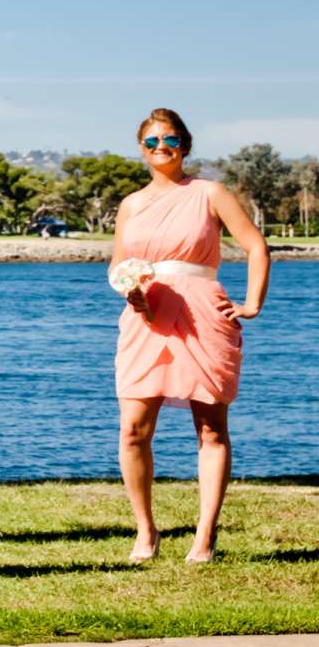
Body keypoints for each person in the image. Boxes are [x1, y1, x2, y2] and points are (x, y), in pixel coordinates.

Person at [111, 108, 269, 563]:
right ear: (141, 149)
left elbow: (256, 246)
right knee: (133, 430)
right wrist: (132, 294)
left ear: (186, 145)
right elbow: (119, 266)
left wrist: (251, 303)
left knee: (211, 428)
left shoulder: (210, 193)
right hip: (145, 316)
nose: (162, 148)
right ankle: (146, 532)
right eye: (153, 142)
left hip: (202, 313)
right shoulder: (131, 205)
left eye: (171, 140)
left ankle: (204, 537)